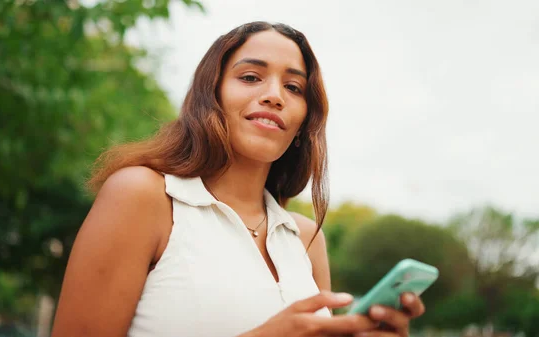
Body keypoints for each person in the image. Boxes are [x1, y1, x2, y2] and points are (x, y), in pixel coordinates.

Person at [50, 21, 427, 337]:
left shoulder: (307, 238)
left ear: (302, 123)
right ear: (210, 95)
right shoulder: (143, 195)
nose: (274, 95)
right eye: (250, 77)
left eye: (294, 88)